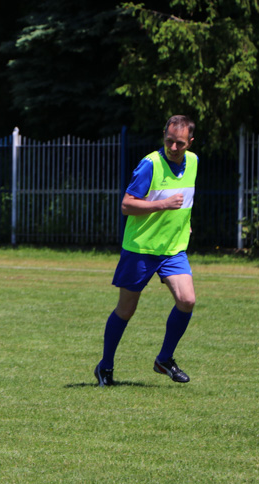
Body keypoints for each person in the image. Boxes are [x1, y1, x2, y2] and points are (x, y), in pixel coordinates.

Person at [94, 115, 198, 387]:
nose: (173, 148)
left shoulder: (195, 162)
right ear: (163, 135)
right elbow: (127, 205)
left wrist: (185, 225)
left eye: (180, 144)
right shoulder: (149, 164)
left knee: (187, 300)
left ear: (190, 142)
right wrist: (162, 205)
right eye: (169, 142)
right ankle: (105, 366)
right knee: (126, 310)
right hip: (141, 248)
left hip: (173, 249)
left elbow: (185, 200)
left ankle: (164, 359)